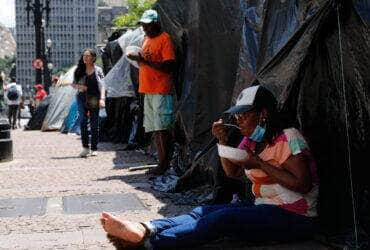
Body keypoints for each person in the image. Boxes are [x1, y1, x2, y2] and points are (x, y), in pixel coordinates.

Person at [100, 85, 319, 249]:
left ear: (263, 114)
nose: (239, 120)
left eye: (244, 114)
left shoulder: (288, 138)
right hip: (263, 205)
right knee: (202, 211)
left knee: (224, 219)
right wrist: (223, 142)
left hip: (295, 217)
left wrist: (259, 163)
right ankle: (147, 227)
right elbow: (231, 173)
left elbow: (302, 184)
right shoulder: (251, 140)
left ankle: (150, 243)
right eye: (237, 115)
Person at [127, 9, 176, 175]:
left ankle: (164, 164)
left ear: (156, 24)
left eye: (148, 25)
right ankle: (161, 162)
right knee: (155, 128)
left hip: (161, 89)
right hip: (148, 89)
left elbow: (169, 66)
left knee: (162, 127)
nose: (145, 28)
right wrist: (138, 59)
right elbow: (146, 62)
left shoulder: (164, 39)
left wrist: (143, 60)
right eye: (143, 25)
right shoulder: (146, 39)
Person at [73, 48, 106, 158]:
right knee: (82, 121)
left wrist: (102, 98)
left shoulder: (98, 70)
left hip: (94, 98)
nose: (85, 58)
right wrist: (79, 86)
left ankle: (94, 148)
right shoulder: (79, 70)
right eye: (84, 56)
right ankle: (85, 147)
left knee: (94, 123)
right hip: (82, 97)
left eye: (88, 56)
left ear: (93, 58)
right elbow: (73, 84)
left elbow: (102, 85)